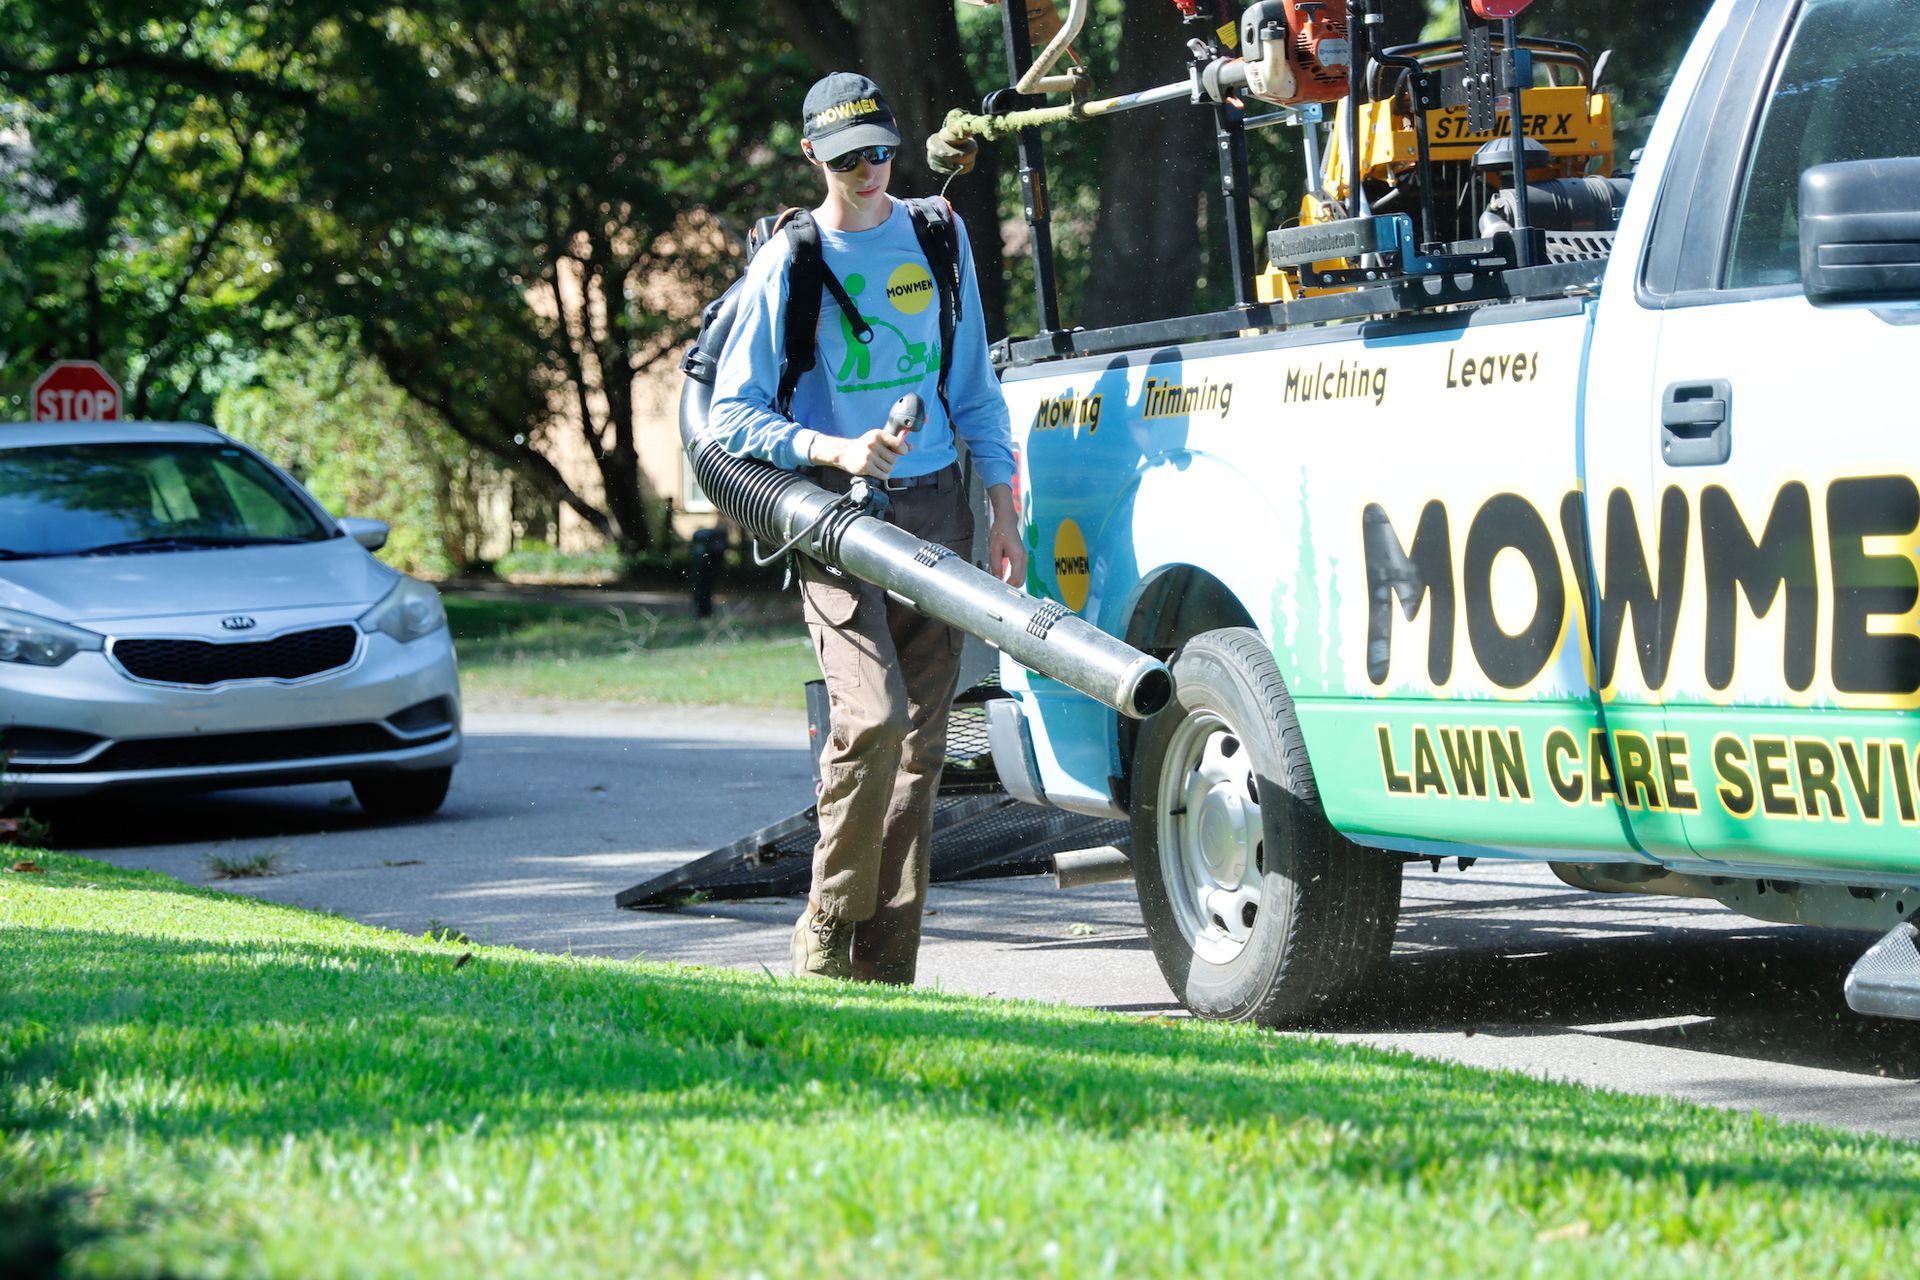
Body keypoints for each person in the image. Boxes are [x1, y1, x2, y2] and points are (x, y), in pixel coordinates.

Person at [709, 71, 1025, 984]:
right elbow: (731, 417)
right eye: (849, 159)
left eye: (880, 151)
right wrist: (836, 450)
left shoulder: (936, 232)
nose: (870, 171)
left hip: (938, 509)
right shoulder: (792, 260)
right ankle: (825, 921)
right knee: (874, 719)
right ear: (815, 158)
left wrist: (1000, 508)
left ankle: (886, 964)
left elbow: (971, 386)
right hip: (837, 520)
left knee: (925, 745)